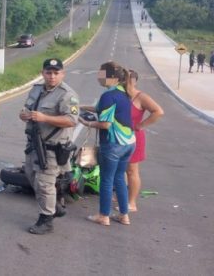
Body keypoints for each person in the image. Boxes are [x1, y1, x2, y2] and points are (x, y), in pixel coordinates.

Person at [19, 58, 79, 235]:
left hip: (52, 148)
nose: (52, 76)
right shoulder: (36, 89)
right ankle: (54, 206)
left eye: (56, 73)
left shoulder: (67, 95)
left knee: (44, 183)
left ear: (62, 74)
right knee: (31, 175)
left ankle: (46, 219)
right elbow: (26, 108)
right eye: (48, 72)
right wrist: (23, 115)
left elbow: (71, 120)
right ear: (43, 73)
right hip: (34, 144)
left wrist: (45, 118)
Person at [79, 61, 136, 226]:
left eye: (100, 73)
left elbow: (105, 124)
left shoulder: (108, 96)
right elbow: (100, 109)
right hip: (129, 143)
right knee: (119, 178)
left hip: (113, 144)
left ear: (111, 77)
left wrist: (86, 123)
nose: (98, 76)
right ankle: (124, 215)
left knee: (106, 179)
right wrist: (80, 106)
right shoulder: (123, 92)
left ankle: (103, 215)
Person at [125, 70, 164, 212]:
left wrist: (141, 125)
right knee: (121, 169)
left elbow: (158, 111)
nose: (126, 82)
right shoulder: (121, 95)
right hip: (120, 137)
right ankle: (123, 196)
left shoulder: (141, 97)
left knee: (132, 170)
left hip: (134, 138)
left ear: (135, 81)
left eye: (129, 79)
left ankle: (132, 203)